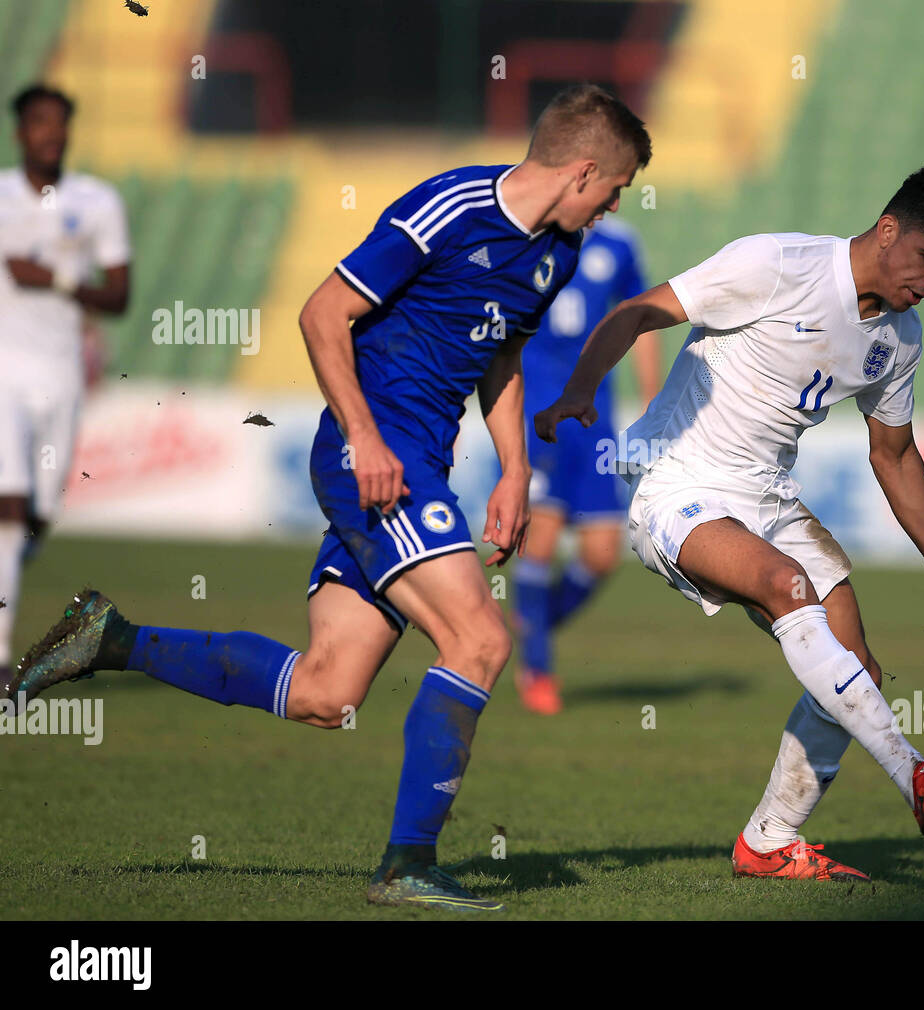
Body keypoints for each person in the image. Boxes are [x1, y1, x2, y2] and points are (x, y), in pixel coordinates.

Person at [7, 84, 652, 911]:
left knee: (325, 690)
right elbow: (323, 314)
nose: (616, 206)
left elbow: (501, 357)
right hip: (373, 460)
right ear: (584, 170)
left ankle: (113, 637)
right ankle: (408, 864)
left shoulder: (554, 255)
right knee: (480, 639)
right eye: (616, 188)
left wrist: (516, 469)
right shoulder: (450, 205)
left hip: (419, 462)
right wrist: (365, 436)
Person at [536, 163, 924, 881]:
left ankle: (768, 841)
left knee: (857, 673)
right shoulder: (776, 263)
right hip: (678, 482)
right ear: (888, 230)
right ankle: (917, 776)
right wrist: (581, 389)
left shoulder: (901, 339)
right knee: (785, 584)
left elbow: (892, 453)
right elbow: (638, 311)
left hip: (767, 496)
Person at [0, 84, 130, 690]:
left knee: (38, 517)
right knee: (9, 505)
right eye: (39, 122)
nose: (50, 132)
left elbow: (120, 295)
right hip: (4, 372)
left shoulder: (96, 201)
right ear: (20, 131)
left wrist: (54, 279)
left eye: (60, 122)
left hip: (61, 375)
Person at [512, 216, 660, 714]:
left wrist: (653, 400)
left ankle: (523, 627)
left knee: (601, 552)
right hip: (538, 401)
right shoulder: (529, 232)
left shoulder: (620, 242)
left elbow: (641, 318)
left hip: (595, 414)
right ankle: (537, 668)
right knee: (543, 535)